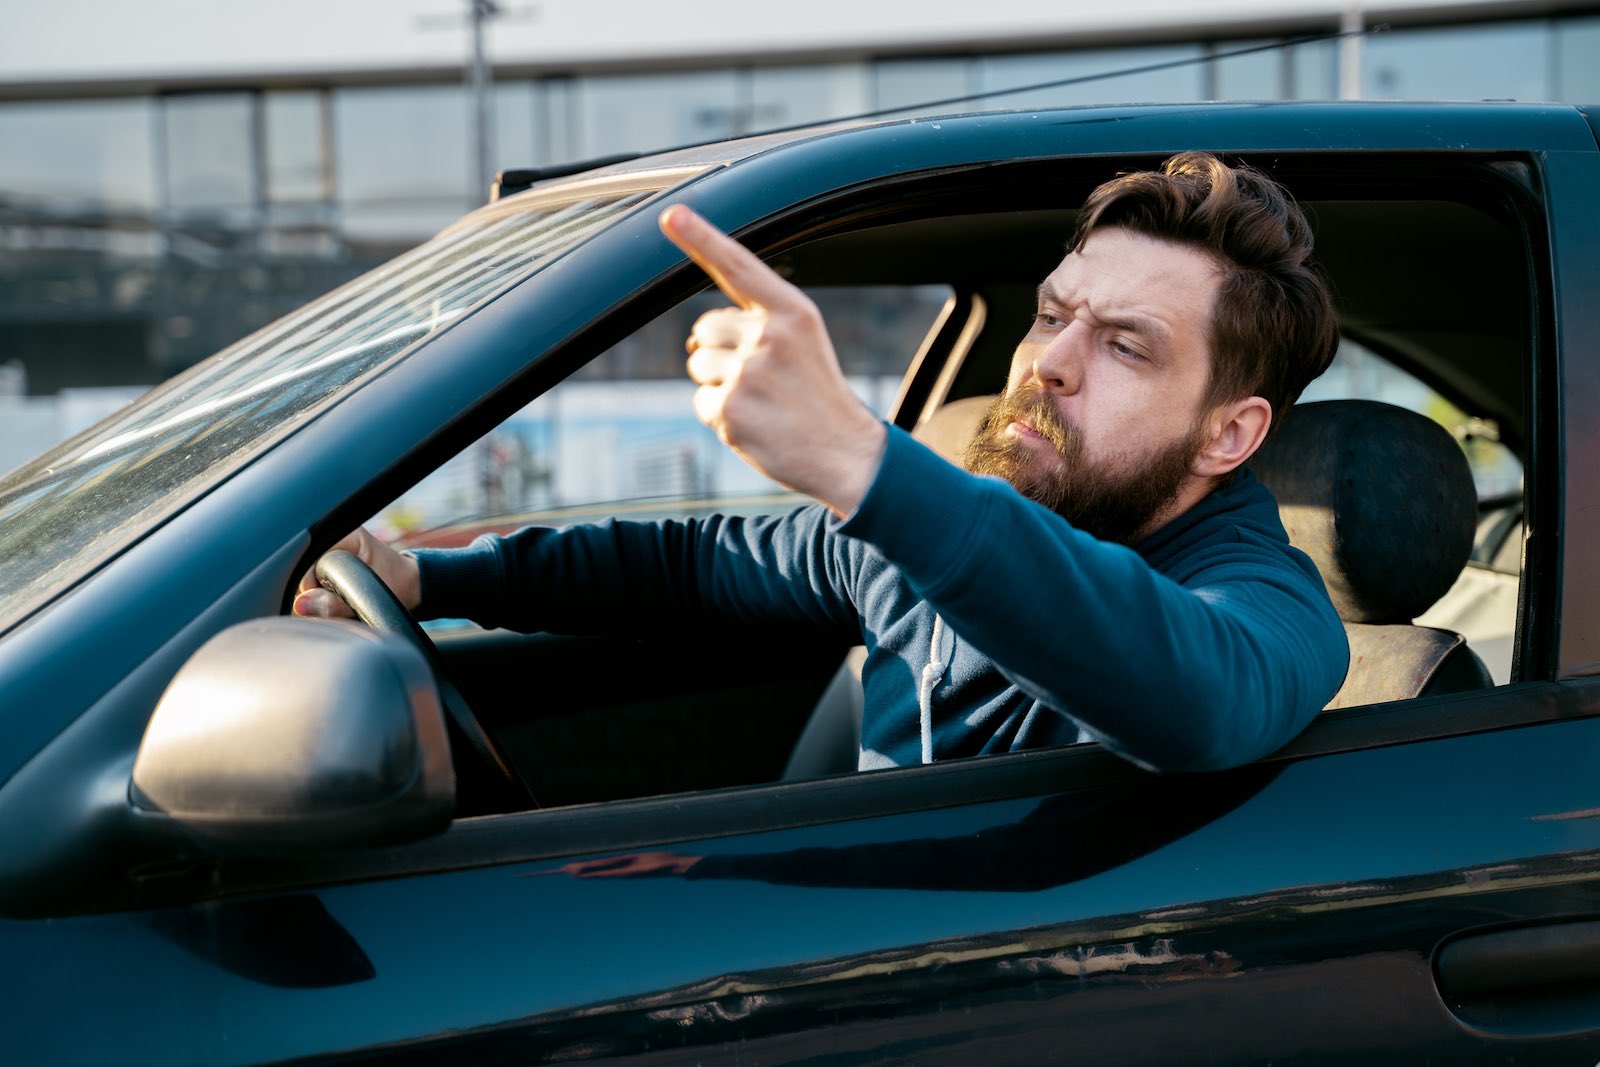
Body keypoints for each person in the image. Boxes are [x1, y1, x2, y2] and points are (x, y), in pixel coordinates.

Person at [296, 152, 1348, 775]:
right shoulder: (930, 535)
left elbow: (1200, 694)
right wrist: (430, 579)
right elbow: (689, 567)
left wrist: (860, 456)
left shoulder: (1266, 605)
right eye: (1052, 315)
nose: (1047, 366)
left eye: (1125, 344)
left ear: (1228, 434)